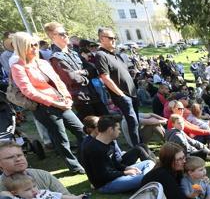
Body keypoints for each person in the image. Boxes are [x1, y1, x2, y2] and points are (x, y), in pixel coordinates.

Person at [10, 32, 86, 174]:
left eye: (36, 44)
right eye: (30, 45)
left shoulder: (43, 63)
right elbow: (28, 91)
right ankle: (75, 167)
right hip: (44, 107)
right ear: (22, 47)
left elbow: (58, 81)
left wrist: (67, 98)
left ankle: (86, 158)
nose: (35, 48)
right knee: (61, 138)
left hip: (61, 102)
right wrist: (54, 103)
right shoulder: (18, 67)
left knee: (81, 130)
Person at [0, 141, 91, 199]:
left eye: (20, 155)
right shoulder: (2, 189)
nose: (18, 159)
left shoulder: (42, 174)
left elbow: (68, 197)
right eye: (10, 157)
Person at [44, 22, 108, 120]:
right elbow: (71, 79)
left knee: (107, 121)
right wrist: (86, 75)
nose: (65, 35)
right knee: (94, 128)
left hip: (92, 93)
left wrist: (82, 72)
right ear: (53, 36)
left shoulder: (75, 53)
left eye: (66, 33)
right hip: (80, 98)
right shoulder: (56, 58)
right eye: (61, 34)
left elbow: (93, 70)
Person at [81, 116, 154, 194]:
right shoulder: (94, 148)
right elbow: (102, 176)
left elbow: (115, 164)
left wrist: (126, 168)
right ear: (110, 130)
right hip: (105, 184)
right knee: (146, 177)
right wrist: (125, 173)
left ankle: (144, 181)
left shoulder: (110, 142)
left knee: (149, 163)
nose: (120, 132)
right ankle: (145, 180)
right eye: (118, 129)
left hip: (115, 175)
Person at [95, 27, 141, 145]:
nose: (114, 40)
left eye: (115, 38)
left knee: (137, 122)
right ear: (102, 39)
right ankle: (138, 149)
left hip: (132, 93)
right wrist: (121, 95)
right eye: (111, 38)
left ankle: (141, 145)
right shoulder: (101, 55)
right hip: (123, 95)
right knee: (132, 122)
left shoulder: (116, 55)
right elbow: (105, 77)